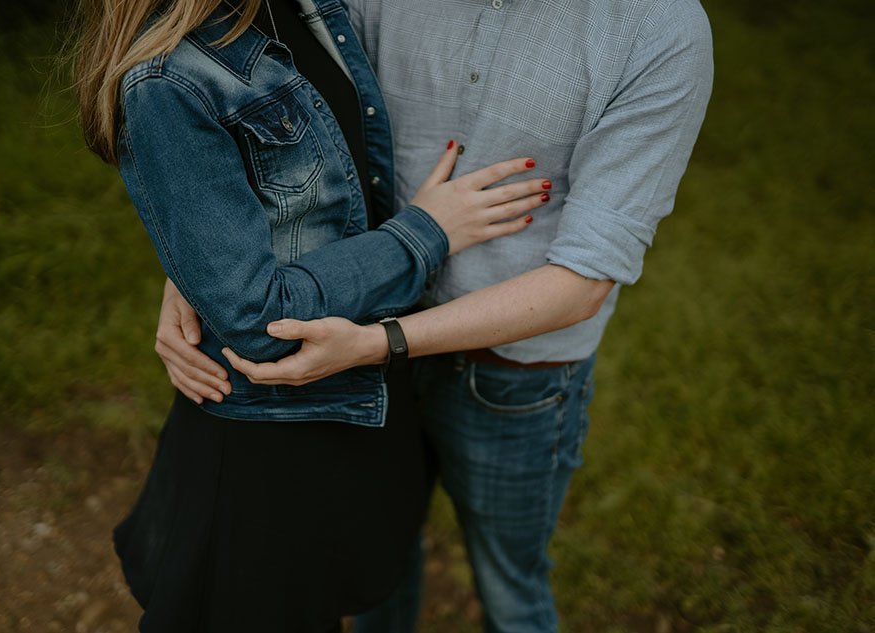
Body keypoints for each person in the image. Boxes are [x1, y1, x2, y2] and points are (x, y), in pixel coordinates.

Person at [158, 0, 714, 631]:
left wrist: (379, 343)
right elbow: (282, 130)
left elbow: (582, 283)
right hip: (361, 327)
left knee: (510, 588)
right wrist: (200, 269)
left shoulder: (659, 29)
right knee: (374, 565)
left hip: (507, 377)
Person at [73, 0, 553, 630]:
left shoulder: (310, 7)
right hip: (266, 442)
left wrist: (194, 269)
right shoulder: (167, 75)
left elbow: (295, 198)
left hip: (351, 399)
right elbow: (258, 317)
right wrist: (425, 232)